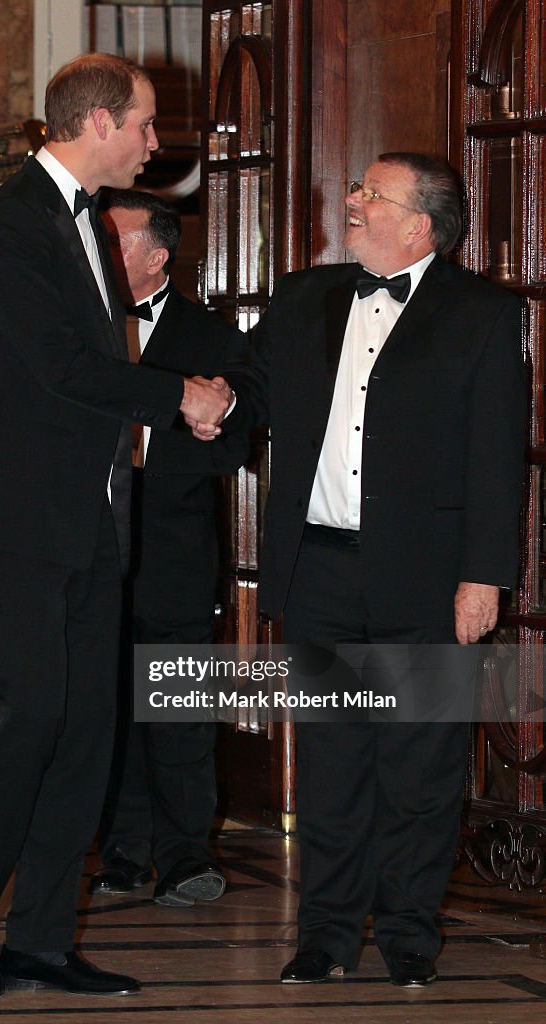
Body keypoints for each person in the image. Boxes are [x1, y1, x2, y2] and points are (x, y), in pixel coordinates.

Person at [0, 53, 230, 998]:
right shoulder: (10, 221)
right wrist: (176, 393)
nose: (154, 141)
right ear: (98, 121)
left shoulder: (89, 231)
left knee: (88, 734)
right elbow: (59, 366)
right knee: (31, 723)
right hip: (18, 520)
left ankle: (43, 940)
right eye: (145, 123)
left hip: (95, 520)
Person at [220, 153, 525, 987]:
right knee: (330, 766)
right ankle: (322, 936)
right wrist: (199, 399)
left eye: (369, 193)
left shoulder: (483, 316)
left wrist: (485, 575)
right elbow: (250, 387)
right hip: (321, 570)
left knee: (420, 770)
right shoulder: (305, 297)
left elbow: (497, 458)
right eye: (356, 188)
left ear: (420, 224)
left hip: (428, 579)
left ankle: (407, 937)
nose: (350, 201)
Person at [90, 189, 248, 906]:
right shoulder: (79, 321)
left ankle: (186, 855)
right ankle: (122, 850)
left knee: (179, 706)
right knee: (107, 705)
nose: (100, 250)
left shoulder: (210, 335)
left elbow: (238, 441)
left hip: (174, 549)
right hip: (89, 538)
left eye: (115, 239)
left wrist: (163, 433)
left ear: (157, 256)